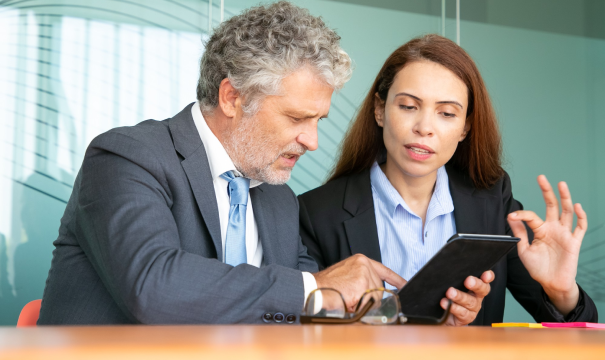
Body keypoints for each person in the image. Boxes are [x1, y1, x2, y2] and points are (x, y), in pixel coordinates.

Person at [38, 1, 405, 325]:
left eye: (318, 120)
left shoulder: (279, 199)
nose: (313, 141)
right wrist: (316, 287)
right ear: (232, 98)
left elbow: (314, 305)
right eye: (296, 118)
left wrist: (385, 308)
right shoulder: (127, 157)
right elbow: (153, 287)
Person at [298, 34, 598, 326]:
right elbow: (294, 325)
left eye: (446, 113)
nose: (425, 127)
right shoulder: (316, 213)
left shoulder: (492, 200)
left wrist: (562, 292)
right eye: (408, 106)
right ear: (380, 110)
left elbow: (576, 329)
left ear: (465, 128)